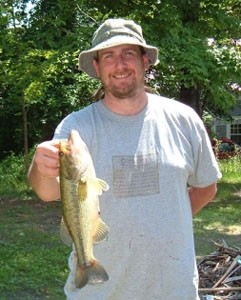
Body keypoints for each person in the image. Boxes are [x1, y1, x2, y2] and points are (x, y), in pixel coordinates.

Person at [28, 18, 222, 300]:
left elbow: (207, 187)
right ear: (97, 67)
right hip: (99, 293)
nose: (119, 65)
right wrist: (40, 166)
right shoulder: (76, 127)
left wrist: (164, 222)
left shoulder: (184, 119)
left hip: (173, 289)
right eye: (108, 56)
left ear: (145, 61)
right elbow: (46, 192)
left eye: (128, 53)